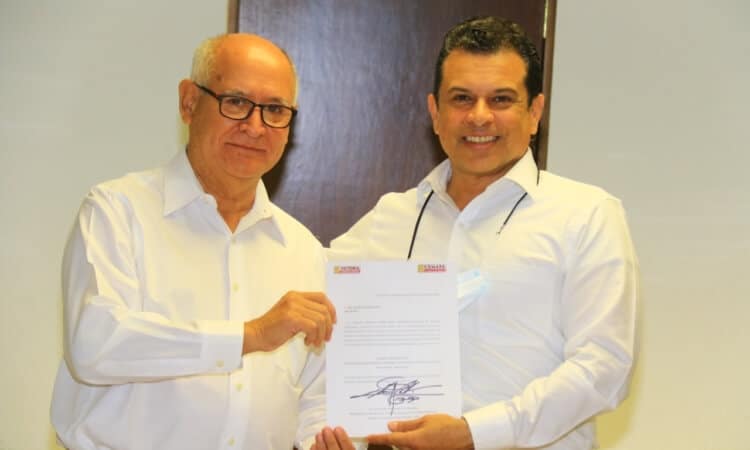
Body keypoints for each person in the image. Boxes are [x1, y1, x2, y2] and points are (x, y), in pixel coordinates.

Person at [315, 16, 639, 450]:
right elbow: (311, 327)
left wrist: (474, 433)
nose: (479, 116)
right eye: (462, 98)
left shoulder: (586, 215)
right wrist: (328, 433)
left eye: (501, 99)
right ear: (435, 112)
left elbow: (604, 368)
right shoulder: (390, 218)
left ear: (535, 112)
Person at [50, 33, 338, 450]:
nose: (255, 126)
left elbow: (317, 392)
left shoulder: (303, 249)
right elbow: (95, 344)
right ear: (189, 102)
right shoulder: (117, 212)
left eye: (275, 110)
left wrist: (323, 438)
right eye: (236, 102)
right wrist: (251, 334)